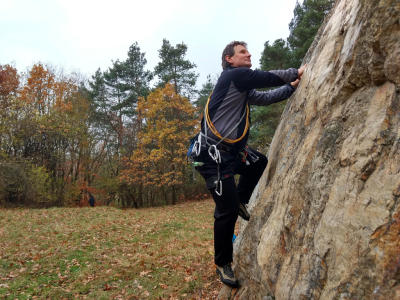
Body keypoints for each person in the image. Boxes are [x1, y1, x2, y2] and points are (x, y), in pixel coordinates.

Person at [193, 41, 306, 288]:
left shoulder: (240, 88)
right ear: (229, 59)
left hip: (230, 155)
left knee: (259, 162)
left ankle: (242, 199)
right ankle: (223, 263)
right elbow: (265, 78)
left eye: (248, 51)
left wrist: (290, 88)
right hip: (213, 159)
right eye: (243, 52)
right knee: (227, 210)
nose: (249, 54)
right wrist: (295, 72)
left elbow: (264, 98)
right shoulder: (234, 76)